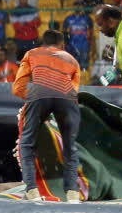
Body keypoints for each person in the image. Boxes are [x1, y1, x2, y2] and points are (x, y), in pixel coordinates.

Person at [12, 30, 82, 203]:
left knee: (27, 143)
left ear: (43, 43)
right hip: (67, 98)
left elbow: (18, 87)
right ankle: (72, 193)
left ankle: (32, 191)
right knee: (70, 146)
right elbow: (74, 91)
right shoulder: (72, 60)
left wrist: (36, 97)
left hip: (38, 94)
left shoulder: (32, 54)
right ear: (62, 46)